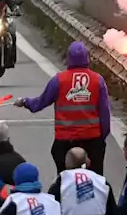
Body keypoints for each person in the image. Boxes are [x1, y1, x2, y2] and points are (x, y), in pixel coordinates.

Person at [19, 41, 110, 174]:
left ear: (68, 58)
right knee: (98, 179)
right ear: (87, 58)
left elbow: (40, 103)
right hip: (92, 140)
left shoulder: (59, 80)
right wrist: (101, 139)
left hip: (65, 140)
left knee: (62, 178)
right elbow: (105, 113)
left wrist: (25, 102)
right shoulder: (98, 80)